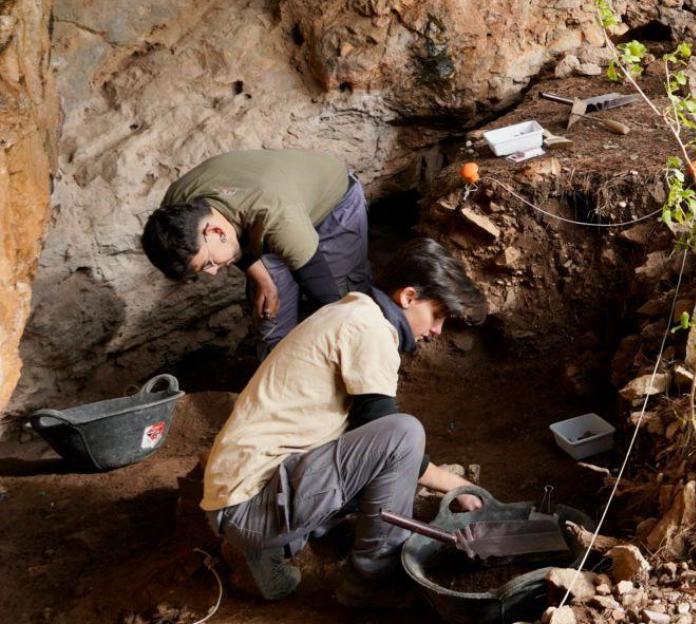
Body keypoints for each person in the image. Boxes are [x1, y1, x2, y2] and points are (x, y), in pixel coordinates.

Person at [201, 237, 489, 606]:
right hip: (251, 508)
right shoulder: (369, 329)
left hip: (234, 499)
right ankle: (368, 581)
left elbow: (363, 433)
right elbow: (392, 438)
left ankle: (271, 548)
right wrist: (455, 485)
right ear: (409, 297)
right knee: (404, 434)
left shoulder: (351, 312)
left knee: (375, 448)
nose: (436, 332)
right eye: (438, 315)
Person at [143, 149, 370, 349]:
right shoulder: (176, 214)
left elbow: (327, 299)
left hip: (334, 200)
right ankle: (280, 378)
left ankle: (373, 345)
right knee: (271, 316)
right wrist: (263, 280)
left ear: (215, 232)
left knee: (344, 298)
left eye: (208, 264)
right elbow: (235, 245)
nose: (212, 273)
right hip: (271, 208)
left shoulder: (276, 216)